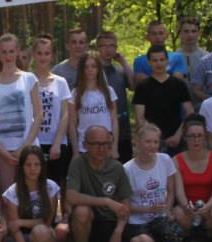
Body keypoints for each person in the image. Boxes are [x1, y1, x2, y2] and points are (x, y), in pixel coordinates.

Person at [67, 126, 132, 242]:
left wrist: (118, 232)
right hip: (85, 222)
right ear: (85, 145)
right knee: (81, 211)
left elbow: (125, 206)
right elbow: (71, 196)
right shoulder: (78, 163)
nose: (101, 148)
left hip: (109, 223)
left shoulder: (117, 168)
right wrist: (106, 201)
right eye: (95, 144)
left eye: (105, 144)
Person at [0, 33, 42, 188]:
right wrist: (0, 149)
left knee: (32, 192)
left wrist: (25, 146)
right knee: (7, 194)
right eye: (4, 52)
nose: (8, 56)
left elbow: (39, 115)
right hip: (4, 149)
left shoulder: (29, 78)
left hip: (29, 146)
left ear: (18, 51)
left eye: (11, 51)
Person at [122, 124, 178, 242]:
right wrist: (148, 209)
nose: (152, 146)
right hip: (137, 221)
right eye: (148, 141)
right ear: (137, 141)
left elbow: (171, 191)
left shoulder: (165, 160)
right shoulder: (127, 169)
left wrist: (167, 210)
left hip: (159, 217)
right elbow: (125, 206)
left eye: (155, 142)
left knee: (177, 234)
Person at [2, 147, 59, 242]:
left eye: (36, 164)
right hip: (19, 239)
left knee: (42, 231)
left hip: (40, 235)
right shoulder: (13, 191)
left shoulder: (51, 187)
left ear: (42, 166)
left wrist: (21, 222)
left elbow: (47, 221)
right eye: (28, 165)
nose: (32, 169)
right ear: (22, 167)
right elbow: (14, 228)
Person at [172, 117, 212, 242]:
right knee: (177, 213)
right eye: (191, 136)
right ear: (185, 138)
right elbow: (179, 192)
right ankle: (187, 236)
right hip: (187, 206)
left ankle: (210, 237)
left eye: (199, 136)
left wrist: (207, 207)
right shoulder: (176, 160)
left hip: (209, 206)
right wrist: (187, 207)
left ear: (205, 137)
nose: (196, 140)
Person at [132, 45, 193, 153]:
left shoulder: (179, 84)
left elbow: (190, 112)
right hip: (151, 143)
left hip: (176, 140)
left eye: (162, 60)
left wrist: (178, 135)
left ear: (167, 61)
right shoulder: (142, 87)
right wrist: (153, 139)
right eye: (154, 60)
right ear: (149, 62)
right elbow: (140, 118)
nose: (159, 63)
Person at [32, 35, 72, 190]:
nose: (43, 57)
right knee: (34, 185)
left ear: (53, 55)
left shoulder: (60, 82)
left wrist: (57, 142)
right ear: (34, 55)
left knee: (56, 186)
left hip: (56, 142)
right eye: (39, 53)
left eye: (47, 53)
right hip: (34, 142)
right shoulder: (27, 80)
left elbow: (65, 114)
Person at [68, 53, 119, 158]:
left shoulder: (109, 91)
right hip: (84, 147)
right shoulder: (75, 93)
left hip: (106, 146)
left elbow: (114, 120)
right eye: (86, 67)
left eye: (93, 66)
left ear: (99, 69)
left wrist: (114, 147)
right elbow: (72, 124)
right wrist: (75, 151)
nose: (90, 70)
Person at [97, 31, 134, 162]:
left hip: (123, 128)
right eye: (104, 46)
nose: (108, 49)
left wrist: (123, 62)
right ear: (98, 48)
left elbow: (133, 85)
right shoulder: (93, 70)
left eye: (111, 46)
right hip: (101, 129)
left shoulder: (120, 70)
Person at [132, 20, 186, 85]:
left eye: (161, 33)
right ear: (147, 37)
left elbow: (177, 81)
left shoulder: (177, 57)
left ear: (166, 35)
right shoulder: (139, 61)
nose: (157, 37)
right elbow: (142, 83)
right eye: (154, 34)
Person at [175, 17, 207, 82]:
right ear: (180, 33)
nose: (190, 35)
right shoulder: (173, 58)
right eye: (186, 31)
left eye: (193, 31)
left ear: (199, 33)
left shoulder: (206, 57)